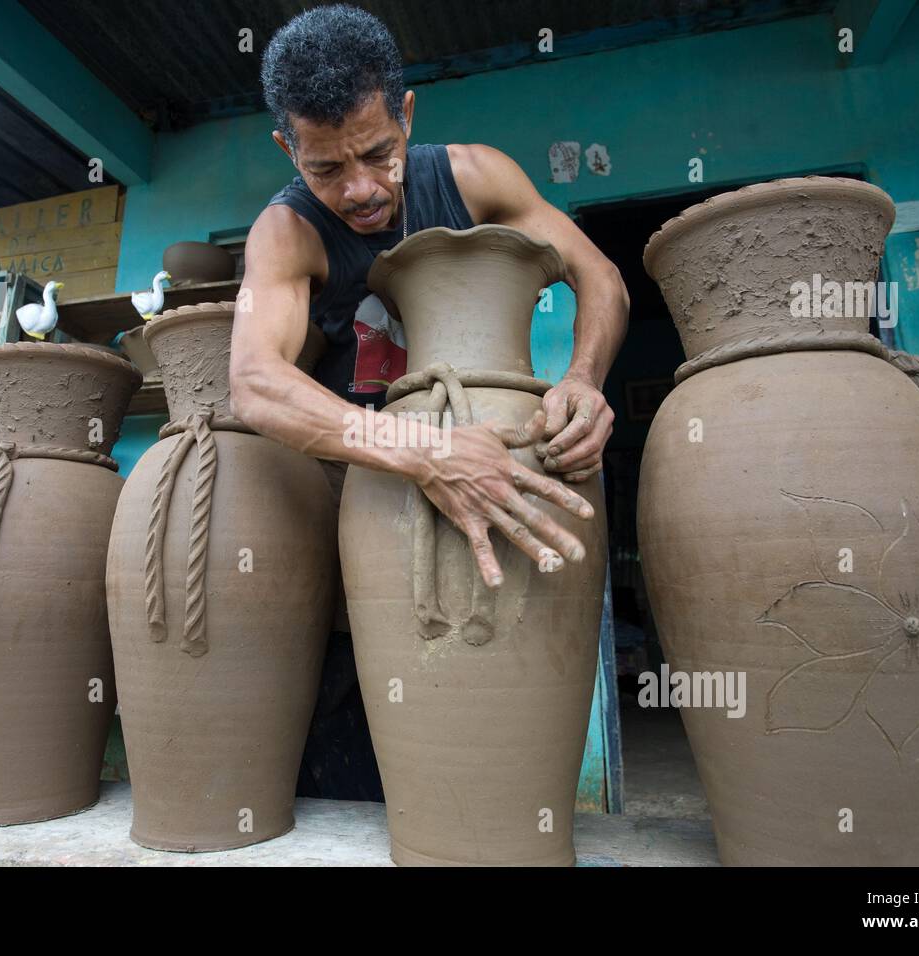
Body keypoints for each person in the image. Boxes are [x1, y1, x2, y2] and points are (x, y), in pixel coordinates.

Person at [230, 5, 630, 801]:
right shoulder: (288, 232)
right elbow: (253, 382)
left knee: (502, 755)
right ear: (288, 149)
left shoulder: (473, 176)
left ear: (406, 114)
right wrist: (428, 453)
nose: (361, 189)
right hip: (368, 502)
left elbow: (601, 277)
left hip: (500, 453)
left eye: (378, 153)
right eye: (325, 169)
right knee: (364, 769)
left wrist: (583, 379)